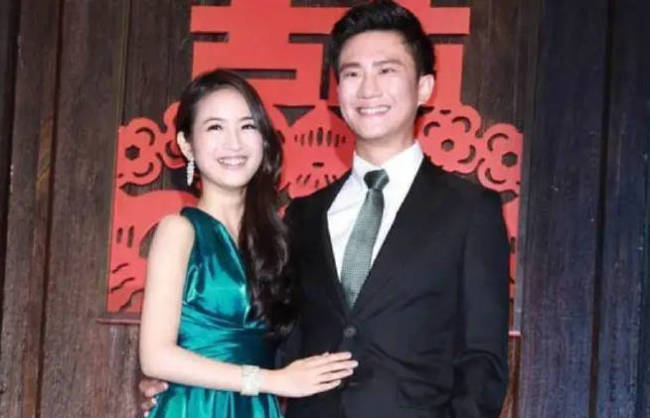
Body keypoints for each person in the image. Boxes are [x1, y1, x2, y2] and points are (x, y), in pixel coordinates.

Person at [142, 1, 510, 417]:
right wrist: (181, 381)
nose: (368, 89)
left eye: (386, 71)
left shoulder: (469, 211)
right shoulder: (302, 216)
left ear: (424, 87)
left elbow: (483, 361)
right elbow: (280, 341)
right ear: (337, 91)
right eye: (352, 74)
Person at [138, 69, 357, 418]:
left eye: (247, 126)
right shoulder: (179, 231)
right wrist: (272, 381)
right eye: (215, 128)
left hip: (257, 407)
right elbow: (155, 357)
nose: (234, 143)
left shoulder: (279, 240)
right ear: (186, 144)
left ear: (264, 139)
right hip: (196, 407)